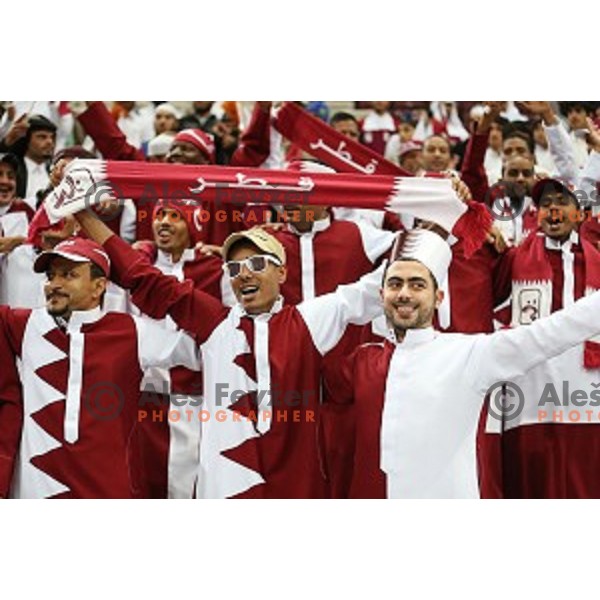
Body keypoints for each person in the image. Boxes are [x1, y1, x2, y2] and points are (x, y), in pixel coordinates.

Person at [74, 210, 394, 499]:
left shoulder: (309, 320)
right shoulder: (214, 323)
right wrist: (82, 213)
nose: (244, 274)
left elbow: (379, 286)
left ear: (281, 274)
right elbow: (140, 275)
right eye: (234, 267)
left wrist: (442, 218)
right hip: (225, 487)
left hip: (298, 487)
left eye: (256, 264)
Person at [324, 227, 600, 498]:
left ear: (438, 298)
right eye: (395, 284)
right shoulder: (359, 362)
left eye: (417, 285)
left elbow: (550, 333)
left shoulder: (470, 353)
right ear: (381, 296)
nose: (405, 293)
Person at [0, 237, 199, 498]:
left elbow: (204, 349)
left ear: (99, 286)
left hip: (106, 490)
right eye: (51, 276)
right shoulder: (21, 324)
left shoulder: (133, 331)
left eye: (69, 275)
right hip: (34, 490)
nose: (54, 284)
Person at [490, 178, 600, 497]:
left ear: (579, 214)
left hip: (586, 389)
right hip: (531, 389)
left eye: (562, 202)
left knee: (585, 475)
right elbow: (482, 302)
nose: (553, 210)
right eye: (546, 204)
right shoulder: (513, 258)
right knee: (531, 476)